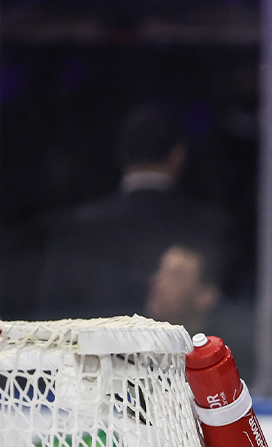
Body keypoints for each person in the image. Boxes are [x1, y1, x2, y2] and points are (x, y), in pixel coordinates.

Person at [35, 103, 232, 320]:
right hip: (181, 351)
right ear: (178, 156)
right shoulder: (208, 228)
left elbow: (49, 319)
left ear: (121, 153)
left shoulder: (76, 231)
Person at [144, 243, 256, 379]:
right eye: (160, 270)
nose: (157, 280)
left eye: (175, 276)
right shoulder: (133, 342)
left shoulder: (225, 359)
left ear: (206, 295)